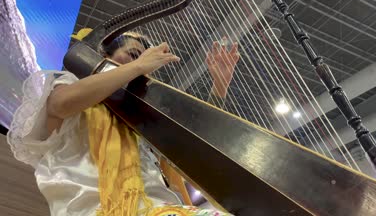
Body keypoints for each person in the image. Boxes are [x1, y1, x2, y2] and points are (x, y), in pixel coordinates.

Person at [7, 29, 240, 216]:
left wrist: (218, 87)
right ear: (103, 58)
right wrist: (137, 66)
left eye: (145, 61)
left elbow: (196, 157)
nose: (144, 66)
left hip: (158, 208)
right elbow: (61, 106)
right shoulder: (69, 87)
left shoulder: (144, 123)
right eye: (133, 54)